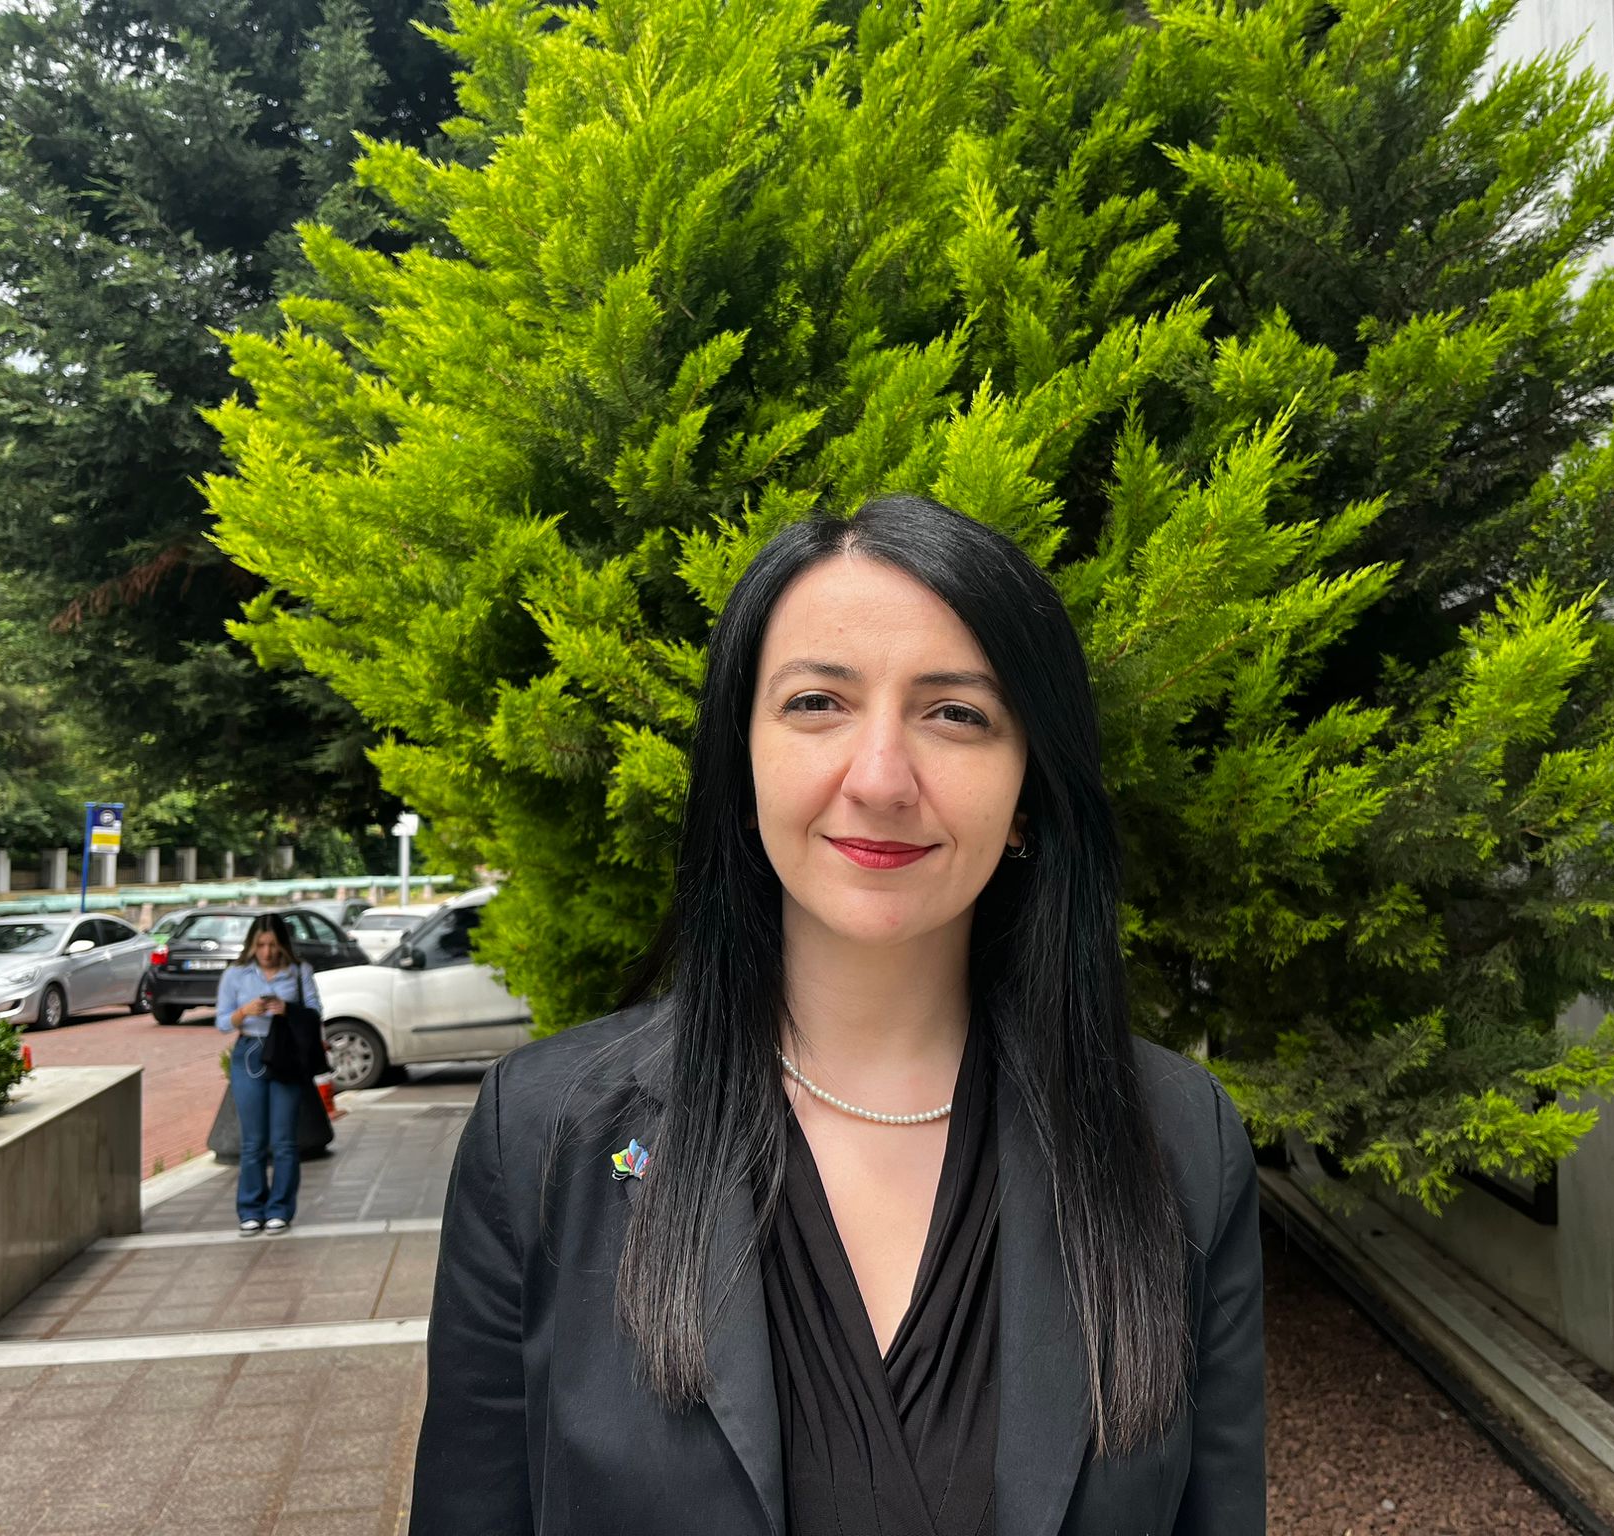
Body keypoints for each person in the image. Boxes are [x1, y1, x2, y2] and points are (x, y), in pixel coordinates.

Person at [412, 494, 1267, 1534]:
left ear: (1029, 793)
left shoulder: (1176, 1141)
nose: (881, 778)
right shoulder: (546, 1133)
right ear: (741, 763)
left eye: (956, 714)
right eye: (817, 702)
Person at [215, 913, 322, 1235]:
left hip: (285, 1054)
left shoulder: (299, 971)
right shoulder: (236, 974)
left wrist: (287, 1009)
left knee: (284, 1140)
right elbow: (222, 1022)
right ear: (251, 945)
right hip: (249, 1051)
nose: (266, 952)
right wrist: (245, 1011)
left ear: (282, 945)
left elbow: (316, 1012)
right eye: (260, 945)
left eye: (273, 945)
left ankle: (280, 1209)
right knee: (253, 1140)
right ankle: (250, 1209)